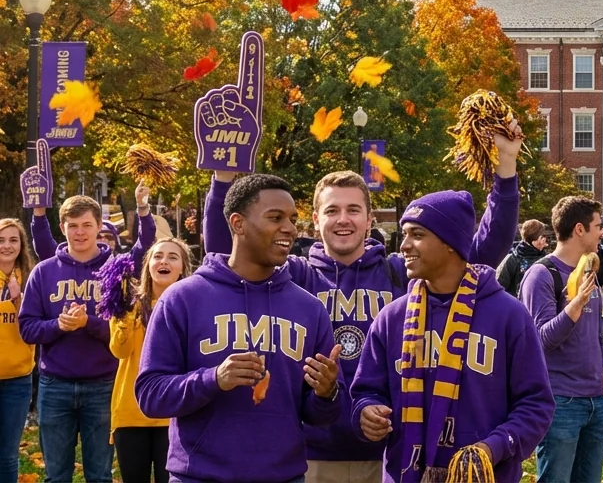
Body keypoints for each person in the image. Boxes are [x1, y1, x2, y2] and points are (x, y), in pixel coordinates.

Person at [201, 124, 521, 483]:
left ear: (370, 220)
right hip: (309, 453)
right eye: (332, 210)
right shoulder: (293, 278)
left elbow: (479, 252)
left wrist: (506, 168)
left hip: (391, 454)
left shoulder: (403, 274)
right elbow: (226, 249)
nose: (343, 219)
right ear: (315, 220)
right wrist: (223, 173)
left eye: (353, 209)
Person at [136, 174, 342, 483]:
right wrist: (214, 379)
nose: (289, 227)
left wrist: (327, 394)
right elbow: (151, 396)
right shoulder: (182, 299)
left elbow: (318, 416)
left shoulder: (309, 309)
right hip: (199, 476)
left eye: (292, 219)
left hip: (283, 476)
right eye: (275, 217)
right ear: (237, 223)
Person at [351, 190, 554, 483]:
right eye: (404, 235)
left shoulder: (509, 315)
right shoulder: (391, 318)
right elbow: (366, 391)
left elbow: (536, 405)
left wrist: (493, 447)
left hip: (484, 476)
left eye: (416, 235)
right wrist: (366, 411)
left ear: (450, 243)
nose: (404, 246)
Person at [19, 190, 155, 483]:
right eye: (73, 225)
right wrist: (60, 326)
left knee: (100, 474)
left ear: (98, 227)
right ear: (63, 228)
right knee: (56, 475)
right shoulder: (43, 272)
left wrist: (88, 323)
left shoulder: (115, 271)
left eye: (86, 225)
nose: (79, 232)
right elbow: (27, 328)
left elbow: (123, 332)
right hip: (54, 385)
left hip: (103, 384)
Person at [522, 197, 603, 483]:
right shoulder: (542, 275)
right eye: (598, 226)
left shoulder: (589, 274)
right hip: (561, 402)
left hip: (595, 401)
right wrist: (575, 304)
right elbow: (541, 339)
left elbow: (597, 334)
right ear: (579, 229)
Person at [108, 239, 194, 483]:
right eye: (158, 256)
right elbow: (119, 351)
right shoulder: (125, 304)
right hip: (130, 412)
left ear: (183, 268)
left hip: (173, 412)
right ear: (148, 266)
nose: (164, 261)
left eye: (172, 257)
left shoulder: (191, 305)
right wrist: (124, 314)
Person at [1, 218, 36, 483]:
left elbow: (34, 325)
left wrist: (18, 300)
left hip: (17, 380)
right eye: (1, 240)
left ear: (21, 244)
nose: (7, 245)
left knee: (7, 455)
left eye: (13, 240)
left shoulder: (30, 277)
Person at [497, 218, 551, 298]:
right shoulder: (513, 259)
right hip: (516, 307)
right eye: (543, 236)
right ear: (537, 238)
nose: (545, 239)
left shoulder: (546, 258)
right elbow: (499, 287)